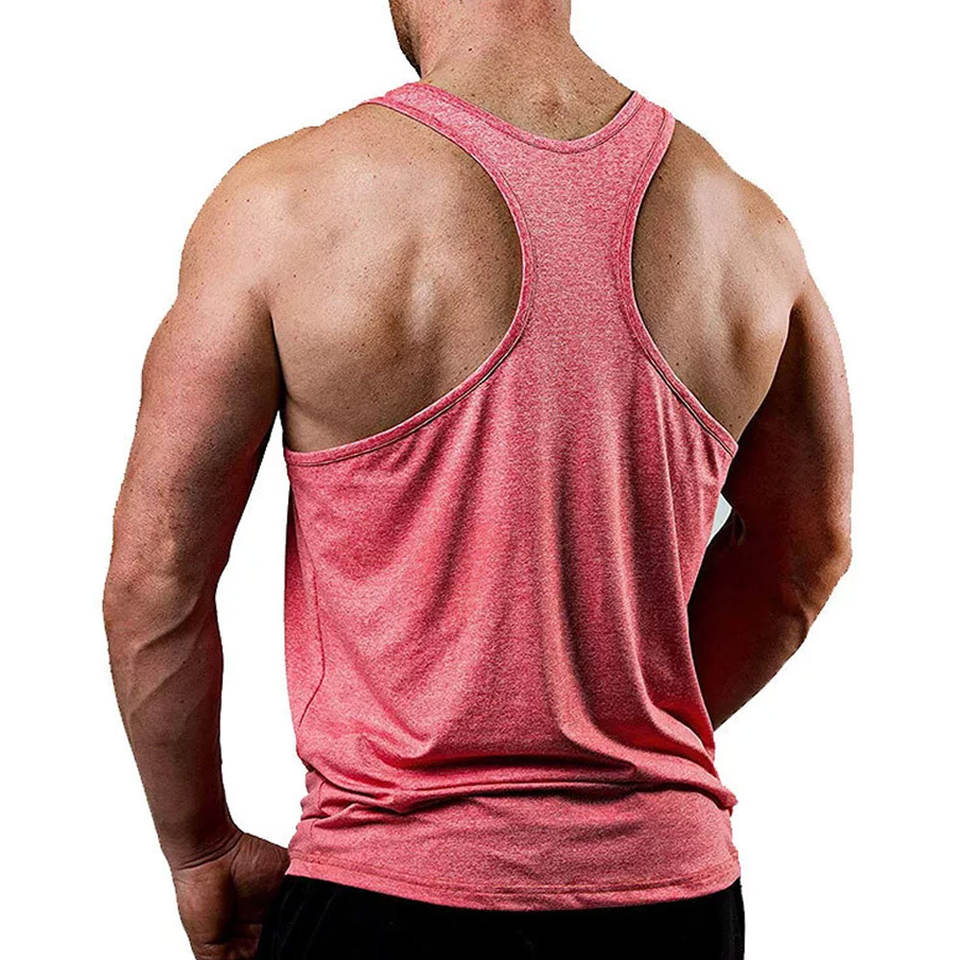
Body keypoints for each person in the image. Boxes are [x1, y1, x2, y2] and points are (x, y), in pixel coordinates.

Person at [102, 1, 854, 957]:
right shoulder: (749, 226)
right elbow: (805, 555)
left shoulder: (284, 206)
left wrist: (202, 851)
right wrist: (608, 729)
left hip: (383, 897)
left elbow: (155, 581)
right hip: (670, 905)